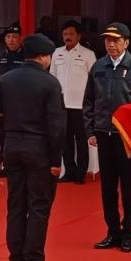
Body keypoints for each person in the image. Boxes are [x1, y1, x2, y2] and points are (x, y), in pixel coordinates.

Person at [0, 34, 66, 261]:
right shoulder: (50, 83)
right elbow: (56, 125)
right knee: (39, 206)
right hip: (39, 148)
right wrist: (56, 159)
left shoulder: (5, 79)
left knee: (16, 205)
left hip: (12, 146)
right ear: (43, 56)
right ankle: (34, 258)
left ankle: (17, 257)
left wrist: (10, 127)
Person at [83, 22, 131, 253]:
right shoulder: (98, 67)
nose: (111, 44)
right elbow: (88, 102)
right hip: (104, 134)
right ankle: (112, 231)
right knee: (107, 187)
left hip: (127, 137)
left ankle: (127, 232)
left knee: (128, 186)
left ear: (126, 42)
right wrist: (90, 131)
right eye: (107, 40)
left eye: (116, 40)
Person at [50, 20, 96, 184]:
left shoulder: (88, 54)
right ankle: (68, 171)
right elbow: (52, 77)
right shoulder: (56, 52)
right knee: (65, 140)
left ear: (78, 35)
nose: (67, 37)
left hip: (80, 105)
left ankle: (80, 172)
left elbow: (94, 81)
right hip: (62, 104)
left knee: (81, 140)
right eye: (65, 34)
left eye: (71, 34)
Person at [0, 24, 26, 176]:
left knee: (21, 135)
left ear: (21, 39)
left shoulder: (25, 57)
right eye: (8, 37)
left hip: (22, 103)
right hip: (4, 104)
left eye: (14, 37)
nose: (11, 40)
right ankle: (5, 165)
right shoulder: (0, 57)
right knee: (3, 135)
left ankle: (21, 165)